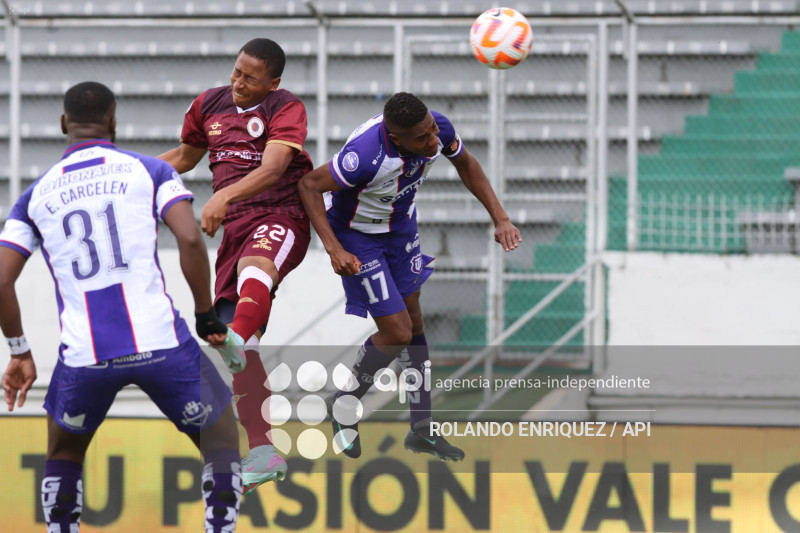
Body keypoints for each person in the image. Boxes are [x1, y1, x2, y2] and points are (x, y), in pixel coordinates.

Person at [0, 82, 242, 532]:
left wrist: (19, 351)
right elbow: (190, 237)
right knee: (222, 437)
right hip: (161, 345)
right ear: (114, 123)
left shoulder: (33, 196)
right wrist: (206, 314)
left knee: (65, 452)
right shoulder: (150, 171)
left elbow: (1, 278)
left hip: (86, 355)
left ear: (62, 125)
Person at [298, 91, 522, 460]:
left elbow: (467, 163)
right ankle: (343, 404)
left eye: (433, 130)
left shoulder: (435, 128)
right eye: (422, 138)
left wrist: (500, 218)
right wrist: (335, 249)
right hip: (357, 237)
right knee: (397, 333)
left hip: (400, 229)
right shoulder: (364, 157)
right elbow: (308, 185)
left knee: (414, 322)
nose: (433, 141)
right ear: (397, 137)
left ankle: (422, 428)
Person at [159, 38, 312, 491]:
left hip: (280, 216)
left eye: (250, 78)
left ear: (273, 82)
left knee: (256, 269)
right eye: (236, 71)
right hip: (233, 232)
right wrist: (133, 170)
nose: (238, 82)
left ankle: (237, 336)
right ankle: (265, 451)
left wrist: (222, 194)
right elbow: (185, 157)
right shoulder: (209, 105)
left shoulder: (286, 108)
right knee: (245, 355)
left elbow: (273, 167)